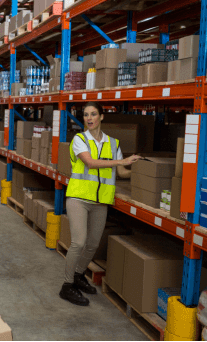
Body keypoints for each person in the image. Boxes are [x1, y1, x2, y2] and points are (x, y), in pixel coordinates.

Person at [59, 102, 141, 307]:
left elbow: (121, 173)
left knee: (93, 244)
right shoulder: (79, 140)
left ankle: (78, 276)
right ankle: (67, 285)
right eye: (86, 114)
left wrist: (142, 173)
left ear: (101, 117)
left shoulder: (113, 144)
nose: (89, 118)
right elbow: (91, 163)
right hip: (78, 198)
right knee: (79, 242)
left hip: (101, 201)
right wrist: (121, 162)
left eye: (93, 114)